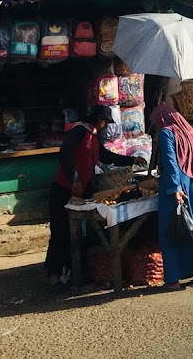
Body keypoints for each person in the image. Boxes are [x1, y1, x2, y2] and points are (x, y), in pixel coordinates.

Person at [46, 107, 139, 291]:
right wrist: (74, 178)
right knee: (60, 231)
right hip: (63, 190)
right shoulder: (80, 130)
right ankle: (53, 276)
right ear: (98, 119)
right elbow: (64, 153)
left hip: (82, 192)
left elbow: (105, 156)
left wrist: (131, 161)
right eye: (104, 122)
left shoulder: (93, 137)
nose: (105, 126)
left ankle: (74, 272)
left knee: (80, 233)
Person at [151, 103, 193, 289]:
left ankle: (173, 279)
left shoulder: (167, 133)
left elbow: (170, 162)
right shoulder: (190, 131)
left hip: (176, 185)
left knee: (171, 230)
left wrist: (174, 188)